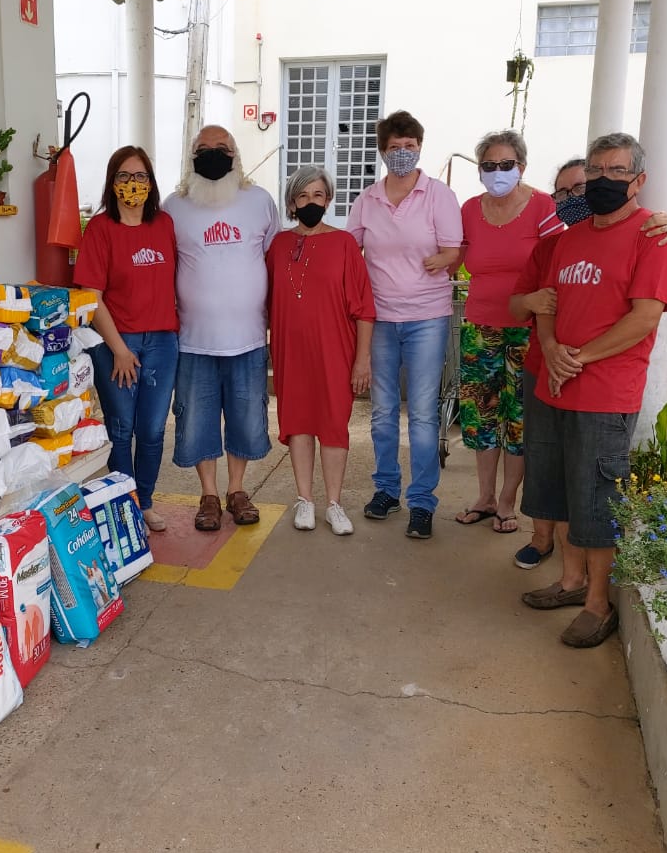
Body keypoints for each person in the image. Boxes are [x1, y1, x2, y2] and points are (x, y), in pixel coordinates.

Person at [518, 132, 667, 648]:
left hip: (605, 393)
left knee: (596, 500)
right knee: (560, 493)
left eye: (616, 171)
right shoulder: (571, 238)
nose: (603, 179)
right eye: (596, 169)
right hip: (554, 386)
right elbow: (546, 305)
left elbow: (645, 318)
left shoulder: (652, 237)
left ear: (638, 180)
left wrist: (579, 357)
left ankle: (597, 603)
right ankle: (570, 582)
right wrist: (550, 348)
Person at [347, 110, 462, 539]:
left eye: (409, 146)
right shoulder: (368, 199)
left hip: (427, 318)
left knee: (422, 415)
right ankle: (386, 490)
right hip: (380, 319)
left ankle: (421, 502)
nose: (402, 154)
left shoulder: (438, 195)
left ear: (420, 147)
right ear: (382, 151)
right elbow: (347, 251)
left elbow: (455, 248)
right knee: (381, 412)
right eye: (394, 148)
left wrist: (443, 258)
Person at [163, 125, 280, 532]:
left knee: (247, 418)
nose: (213, 154)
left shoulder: (259, 202)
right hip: (194, 340)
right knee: (196, 420)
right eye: (203, 148)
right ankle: (209, 494)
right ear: (192, 156)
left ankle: (236, 489)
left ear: (236, 155)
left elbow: (274, 263)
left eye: (221, 148)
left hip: (248, 337)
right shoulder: (174, 207)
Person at [454, 130, 565, 538]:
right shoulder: (468, 210)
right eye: (488, 165)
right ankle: (484, 497)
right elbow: (455, 256)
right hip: (480, 327)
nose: (497, 172)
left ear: (521, 166)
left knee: (518, 421)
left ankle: (507, 501)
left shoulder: (542, 206)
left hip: (528, 329)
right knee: (481, 416)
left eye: (506, 165)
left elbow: (557, 263)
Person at [74, 145, 178, 532]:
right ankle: (124, 504)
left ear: (150, 183)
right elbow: (91, 297)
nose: (132, 185)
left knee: (152, 429)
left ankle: (144, 501)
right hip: (115, 343)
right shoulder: (101, 229)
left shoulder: (164, 225)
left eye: (140, 177)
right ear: (111, 182)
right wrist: (118, 349)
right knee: (121, 427)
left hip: (163, 342)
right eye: (123, 177)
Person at [266, 166, 375, 535]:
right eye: (302, 196)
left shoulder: (344, 244)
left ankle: (333, 502)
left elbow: (364, 307)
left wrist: (362, 359)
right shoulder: (278, 245)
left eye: (317, 195)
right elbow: (265, 297)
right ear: (292, 203)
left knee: (332, 422)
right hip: (290, 349)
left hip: (334, 349)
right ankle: (304, 500)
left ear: (328, 200)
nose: (310, 202)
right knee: (297, 421)